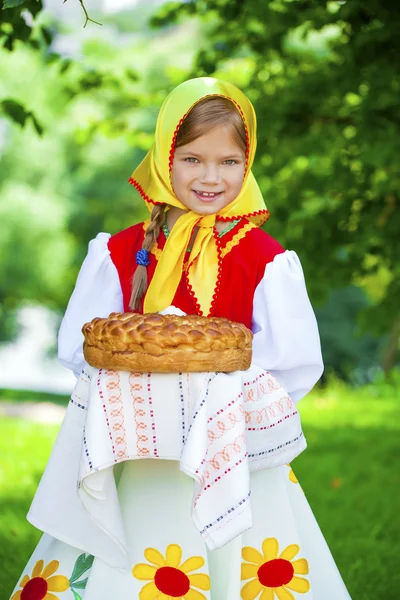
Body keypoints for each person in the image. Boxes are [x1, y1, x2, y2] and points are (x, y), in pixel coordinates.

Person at [10, 78, 351, 600]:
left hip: (235, 458)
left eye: (229, 162)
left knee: (244, 572)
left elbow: (293, 368)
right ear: (164, 154)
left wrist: (218, 404)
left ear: (248, 162)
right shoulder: (119, 253)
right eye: (192, 159)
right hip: (137, 454)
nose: (211, 177)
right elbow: (82, 351)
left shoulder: (267, 261)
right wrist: (148, 400)